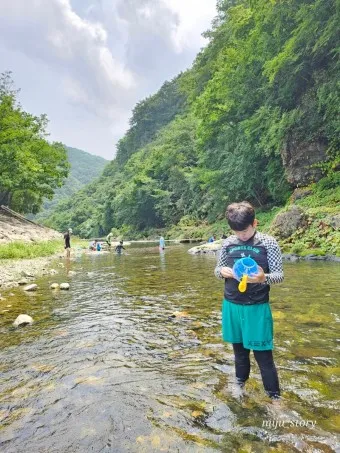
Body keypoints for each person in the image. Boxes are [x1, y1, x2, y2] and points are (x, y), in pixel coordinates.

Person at [214, 201, 284, 400]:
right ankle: (239, 387)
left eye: (244, 231)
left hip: (257, 307)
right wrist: (222, 272)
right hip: (232, 305)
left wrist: (264, 278)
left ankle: (275, 399)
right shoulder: (228, 243)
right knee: (240, 353)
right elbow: (217, 271)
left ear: (255, 223)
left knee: (264, 357)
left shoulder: (268, 243)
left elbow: (279, 275)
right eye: (237, 232)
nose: (242, 236)